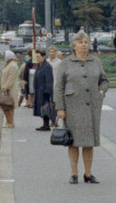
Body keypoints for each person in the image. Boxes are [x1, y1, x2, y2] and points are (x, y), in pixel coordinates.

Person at [55, 31, 109, 184]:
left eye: (86, 42)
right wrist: (60, 108)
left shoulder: (96, 62)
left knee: (88, 142)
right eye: (80, 42)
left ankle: (88, 173)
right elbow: (59, 87)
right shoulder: (66, 63)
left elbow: (105, 81)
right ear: (74, 46)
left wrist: (101, 91)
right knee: (73, 142)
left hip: (92, 107)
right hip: (72, 107)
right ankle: (74, 173)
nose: (84, 45)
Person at [31, 48, 55, 130]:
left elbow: (49, 80)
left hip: (44, 91)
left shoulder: (47, 66)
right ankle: (44, 124)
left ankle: (46, 125)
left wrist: (47, 91)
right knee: (41, 108)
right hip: (39, 90)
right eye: (36, 57)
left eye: (39, 57)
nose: (37, 58)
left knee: (45, 108)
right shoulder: (38, 66)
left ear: (44, 57)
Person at [0, 49, 19, 127]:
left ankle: (11, 122)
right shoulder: (8, 64)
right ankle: (7, 121)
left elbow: (11, 78)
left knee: (9, 106)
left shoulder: (13, 65)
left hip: (10, 90)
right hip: (4, 89)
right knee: (4, 106)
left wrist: (6, 87)